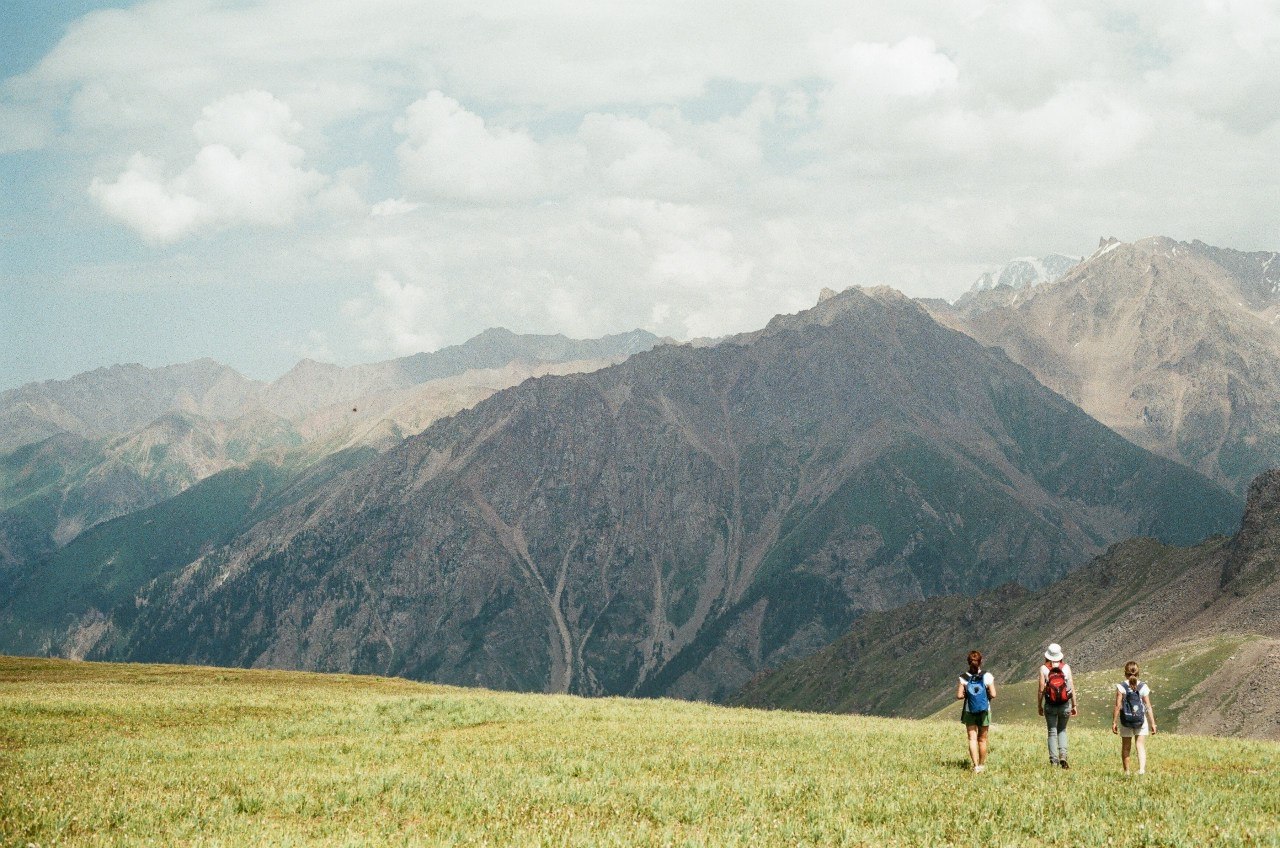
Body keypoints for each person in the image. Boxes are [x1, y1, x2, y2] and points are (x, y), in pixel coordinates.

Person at [1112, 660, 1157, 774]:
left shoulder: (1121, 687)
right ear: (1138, 672)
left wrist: (1114, 722)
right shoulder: (1143, 686)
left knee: (1126, 746)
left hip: (1126, 720)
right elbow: (1148, 706)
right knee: (1140, 745)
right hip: (1140, 720)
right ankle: (1141, 770)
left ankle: (1127, 772)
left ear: (1125, 673)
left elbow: (1118, 706)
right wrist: (1153, 723)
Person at [955, 649, 996, 773]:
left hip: (969, 710)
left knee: (972, 738)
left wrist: (968, 694)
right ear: (980, 662)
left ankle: (975, 765)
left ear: (968, 662)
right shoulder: (987, 676)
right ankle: (982, 765)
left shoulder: (963, 678)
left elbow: (959, 696)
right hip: (984, 710)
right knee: (982, 739)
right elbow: (993, 694)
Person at [1037, 643, 1077, 768]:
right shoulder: (1066, 668)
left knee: (1052, 732)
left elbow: (1041, 689)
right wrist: (1074, 704)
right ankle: (1063, 756)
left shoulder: (1044, 669)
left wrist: (1039, 705)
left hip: (1050, 705)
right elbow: (1071, 688)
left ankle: (1053, 761)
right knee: (1062, 730)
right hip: (1065, 704)